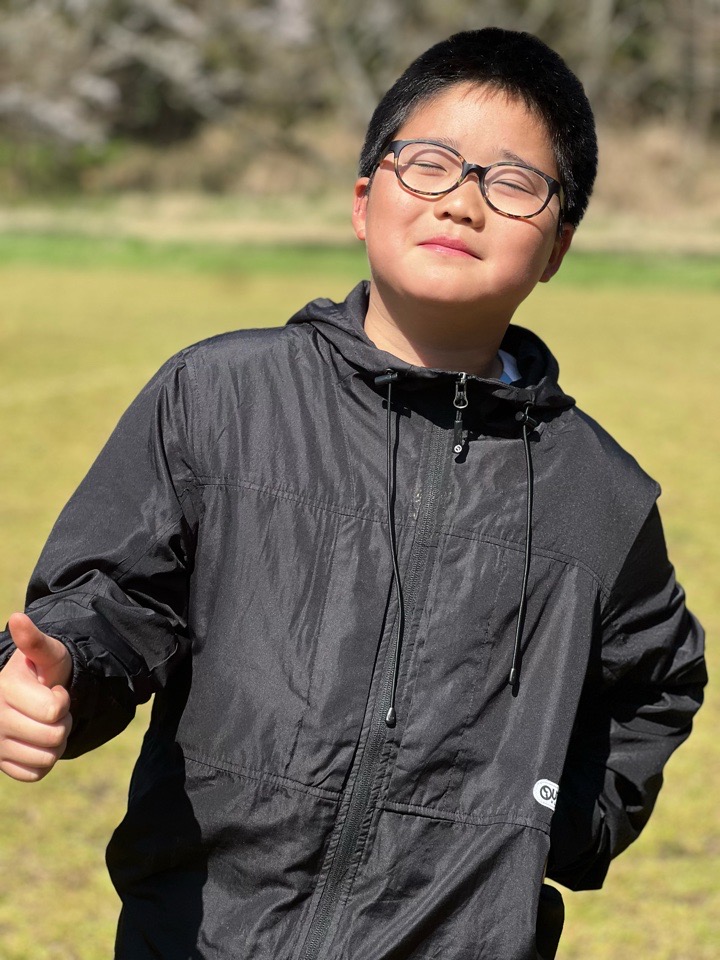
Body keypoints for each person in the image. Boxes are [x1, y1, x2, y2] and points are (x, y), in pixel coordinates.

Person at [0, 27, 706, 960]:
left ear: (558, 248)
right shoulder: (221, 397)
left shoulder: (597, 493)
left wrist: (547, 820)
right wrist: (64, 674)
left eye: (513, 182)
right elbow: (115, 600)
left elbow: (656, 682)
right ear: (364, 201)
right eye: (430, 164)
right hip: (203, 935)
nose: (462, 201)